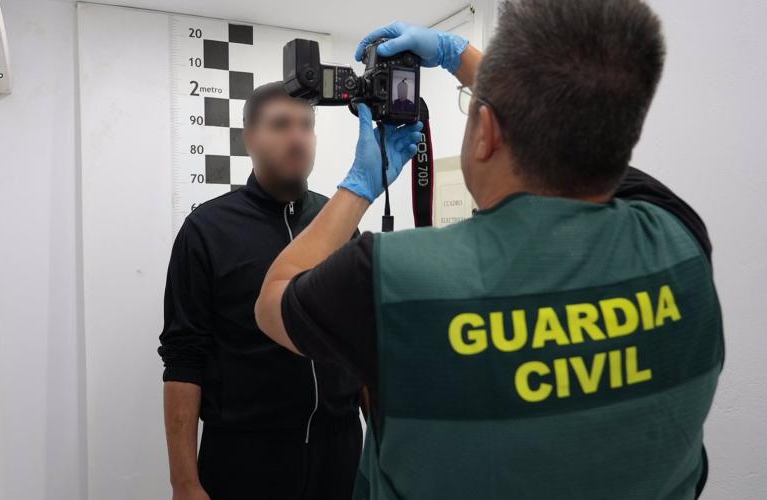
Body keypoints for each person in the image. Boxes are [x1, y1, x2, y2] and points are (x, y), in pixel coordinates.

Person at [254, 2, 723, 499]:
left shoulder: (390, 277)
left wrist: (360, 187)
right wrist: (459, 57)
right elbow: (589, 147)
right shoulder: (679, 236)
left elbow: (272, 301)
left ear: (489, 133)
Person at [159, 82, 363, 500]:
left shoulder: (337, 220)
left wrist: (383, 452)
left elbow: (360, 341)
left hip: (339, 452)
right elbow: (183, 358)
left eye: (306, 125)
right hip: (244, 457)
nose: (297, 138)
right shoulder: (207, 230)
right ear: (248, 138)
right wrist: (184, 483)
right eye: (281, 125)